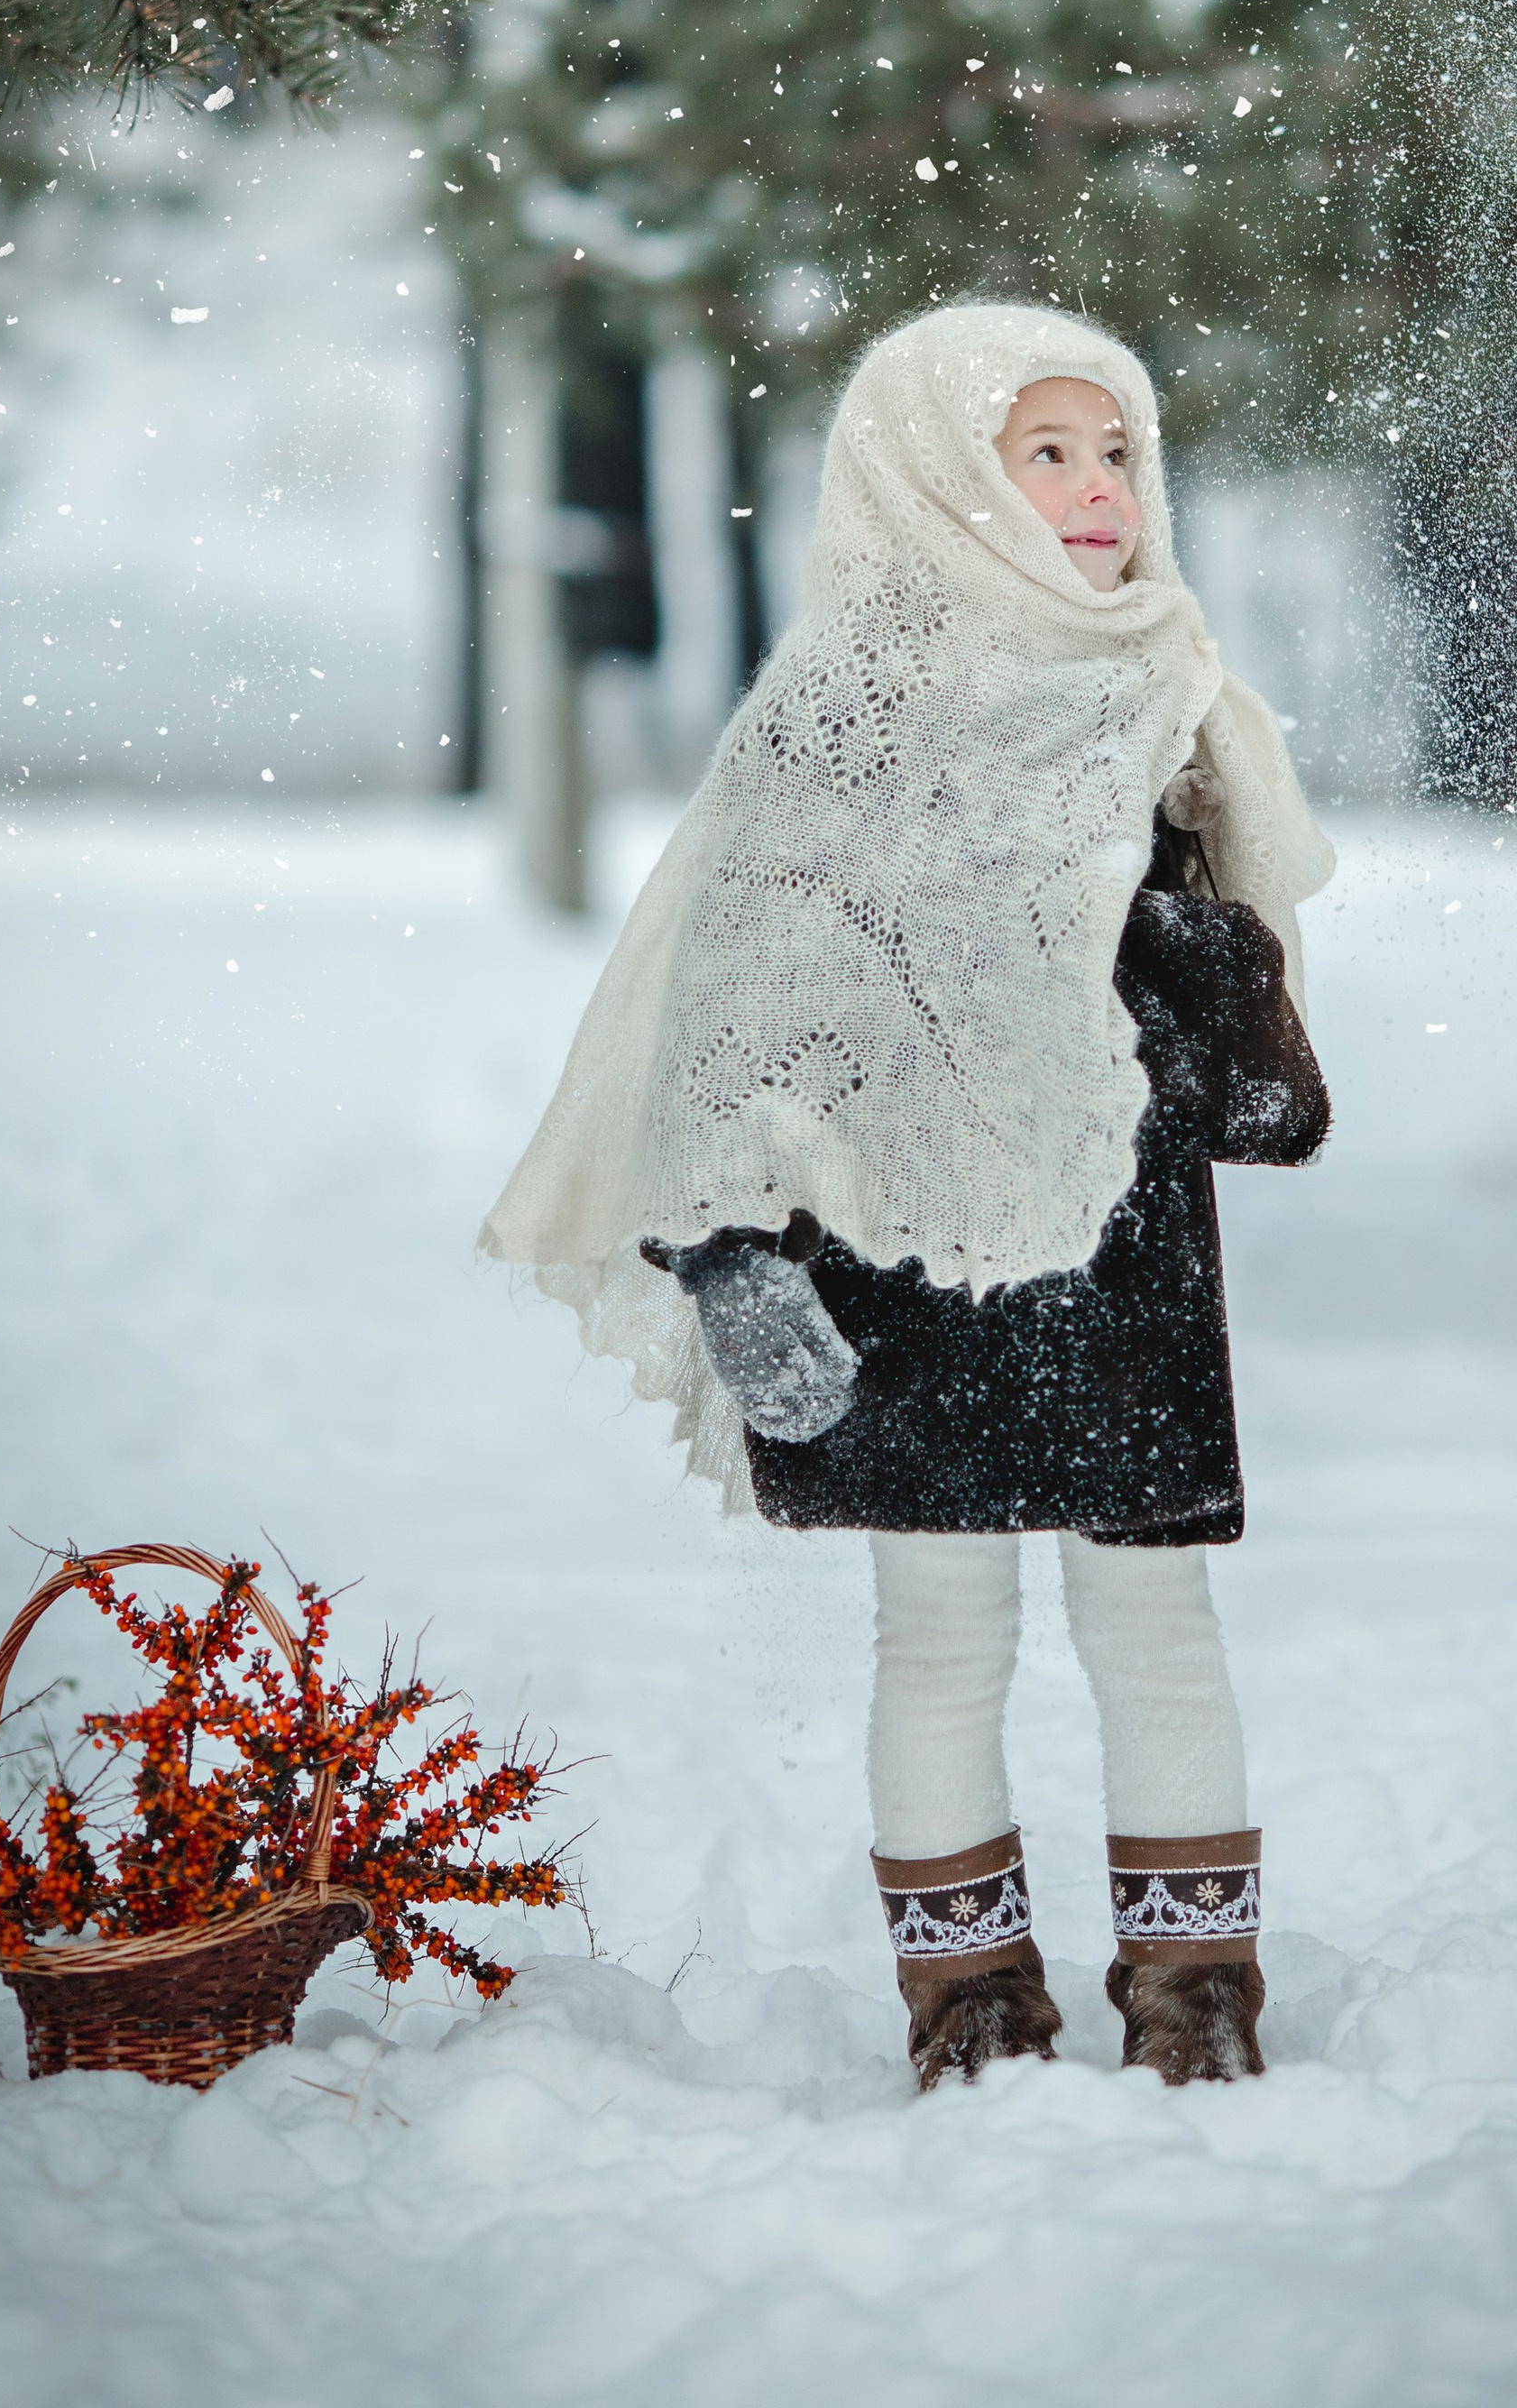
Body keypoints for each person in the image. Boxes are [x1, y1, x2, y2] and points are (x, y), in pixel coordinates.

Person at [483, 304, 1332, 2089]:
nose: (1095, 491)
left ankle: (1197, 1997)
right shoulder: (849, 705)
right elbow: (745, 1007)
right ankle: (971, 2007)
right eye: (1046, 454)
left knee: (1156, 1627)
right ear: (935, 478)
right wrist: (732, 1250)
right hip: (906, 1259)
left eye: (1117, 453)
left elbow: (1230, 1051)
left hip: (1122, 1264)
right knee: (942, 1636)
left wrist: (1207, 965)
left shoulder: (1164, 689)